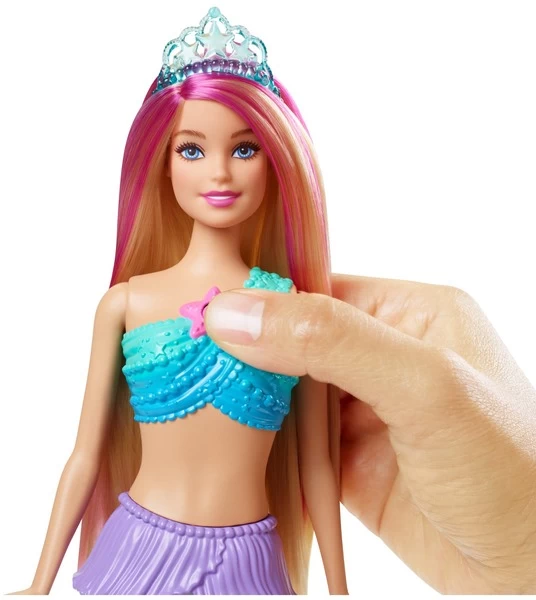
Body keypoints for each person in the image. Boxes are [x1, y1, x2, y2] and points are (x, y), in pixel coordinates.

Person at [7, 6, 347, 596]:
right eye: (192, 150)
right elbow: (85, 455)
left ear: (276, 161)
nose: (220, 173)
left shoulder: (295, 312)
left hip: (249, 565)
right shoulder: (126, 303)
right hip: (137, 553)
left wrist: (339, 589)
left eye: (245, 150)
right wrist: (39, 584)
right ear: (162, 165)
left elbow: (317, 466)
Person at [198, 273, 536, 594]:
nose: (219, 181)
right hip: (157, 541)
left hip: (250, 555)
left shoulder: (279, 296)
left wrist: (338, 585)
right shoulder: (152, 293)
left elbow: (318, 461)